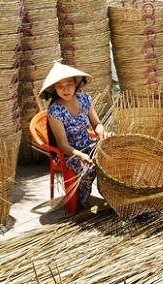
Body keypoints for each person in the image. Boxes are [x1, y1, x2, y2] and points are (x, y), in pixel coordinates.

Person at [38, 62, 112, 208]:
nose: (65, 89)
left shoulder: (84, 100)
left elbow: (97, 124)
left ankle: (112, 194)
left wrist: (102, 133)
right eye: (60, 86)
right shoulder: (55, 111)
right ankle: (82, 201)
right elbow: (62, 144)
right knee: (89, 168)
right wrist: (80, 155)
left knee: (112, 154)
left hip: (88, 144)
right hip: (68, 153)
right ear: (54, 89)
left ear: (75, 83)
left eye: (69, 84)